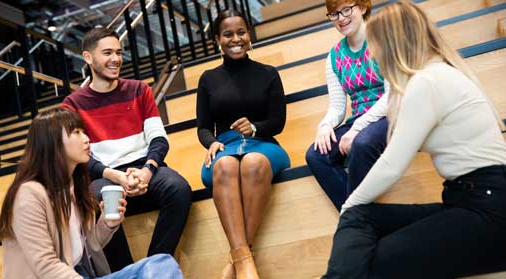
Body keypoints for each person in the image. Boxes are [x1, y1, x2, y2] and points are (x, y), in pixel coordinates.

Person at [324, 1, 506, 278]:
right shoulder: (431, 76)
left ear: (392, 43)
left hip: (489, 210)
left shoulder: (428, 81)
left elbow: (392, 165)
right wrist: (352, 209)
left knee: (369, 256)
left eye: (375, 44)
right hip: (467, 200)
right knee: (360, 219)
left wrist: (348, 204)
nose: (371, 53)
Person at [0, 108, 184, 279]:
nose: (86, 139)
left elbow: (89, 248)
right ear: (52, 143)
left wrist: (107, 224)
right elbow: (46, 267)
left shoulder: (73, 188)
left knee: (162, 263)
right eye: (76, 133)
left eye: (83, 132)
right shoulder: (29, 194)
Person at [61, 27, 191, 271]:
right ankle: (125, 273)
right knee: (99, 199)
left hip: (145, 170)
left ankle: (154, 267)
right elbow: (77, 156)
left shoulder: (139, 90)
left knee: (178, 189)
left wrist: (147, 171)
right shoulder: (72, 104)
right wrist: (115, 175)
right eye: (107, 53)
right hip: (104, 176)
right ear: (88, 58)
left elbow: (159, 140)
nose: (116, 59)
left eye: (119, 53)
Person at [196, 9, 290, 279]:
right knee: (224, 165)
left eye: (241, 32)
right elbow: (203, 127)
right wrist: (211, 142)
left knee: (253, 162)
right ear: (217, 39)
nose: (235, 39)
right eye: (228, 34)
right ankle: (245, 261)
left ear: (249, 35)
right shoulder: (208, 79)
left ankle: (239, 260)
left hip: (263, 144)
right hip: (223, 148)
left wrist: (255, 127)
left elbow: (278, 121)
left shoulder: (269, 73)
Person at [305, 0, 390, 211]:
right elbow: (337, 107)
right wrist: (324, 126)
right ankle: (359, 216)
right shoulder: (334, 56)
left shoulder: (383, 38)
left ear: (362, 7)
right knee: (315, 154)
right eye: (334, 14)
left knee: (361, 142)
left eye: (347, 9)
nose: (341, 18)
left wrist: (358, 127)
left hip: (391, 115)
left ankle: (356, 221)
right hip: (358, 122)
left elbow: (393, 95)